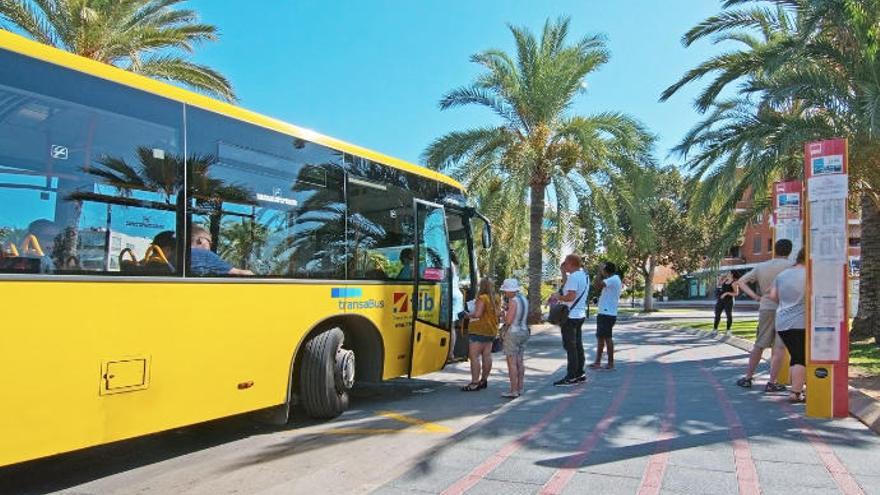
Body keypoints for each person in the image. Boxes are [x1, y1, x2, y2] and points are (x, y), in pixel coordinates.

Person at [734, 238, 793, 391]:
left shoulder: (762, 266)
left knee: (759, 344)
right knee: (779, 347)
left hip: (766, 306)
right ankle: (772, 382)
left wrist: (755, 296)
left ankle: (748, 378)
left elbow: (740, 282)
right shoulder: (792, 266)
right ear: (790, 251)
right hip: (786, 308)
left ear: (775, 249)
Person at [767, 248, 807, 402]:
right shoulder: (808, 275)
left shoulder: (782, 274)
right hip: (799, 321)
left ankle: (796, 388)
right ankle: (796, 392)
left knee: (794, 355)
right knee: (800, 357)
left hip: (782, 320)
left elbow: (772, 296)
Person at [553, 254, 590, 386]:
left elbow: (570, 296)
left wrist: (557, 296)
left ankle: (571, 376)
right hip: (579, 314)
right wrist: (563, 273)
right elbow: (568, 287)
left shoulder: (574, 277)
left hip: (570, 316)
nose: (564, 264)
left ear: (571, 263)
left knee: (571, 347)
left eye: (565, 263)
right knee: (578, 345)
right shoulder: (584, 275)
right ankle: (580, 373)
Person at [461, 277, 498, 392]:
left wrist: (467, 315)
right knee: (487, 355)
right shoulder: (496, 298)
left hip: (479, 330)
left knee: (474, 357)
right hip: (491, 330)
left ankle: (474, 382)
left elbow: (477, 314)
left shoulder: (482, 298)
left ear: (482, 286)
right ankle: (484, 380)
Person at [499, 278, 529, 398]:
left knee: (511, 362)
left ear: (510, 291)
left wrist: (503, 316)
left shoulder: (513, 301)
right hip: (524, 331)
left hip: (513, 332)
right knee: (520, 361)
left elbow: (509, 320)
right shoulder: (524, 299)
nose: (505, 293)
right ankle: (520, 387)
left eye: (505, 290)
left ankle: (513, 390)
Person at [590, 262, 622, 370]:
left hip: (606, 313)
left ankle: (610, 363)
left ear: (605, 270)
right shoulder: (613, 280)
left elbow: (597, 285)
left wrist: (598, 272)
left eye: (603, 270)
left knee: (607, 338)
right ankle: (598, 362)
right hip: (606, 313)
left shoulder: (613, 279)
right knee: (601, 338)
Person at [190, 225, 254, 276]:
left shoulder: (181, 255)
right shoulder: (204, 255)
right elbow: (243, 274)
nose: (210, 247)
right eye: (209, 242)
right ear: (201, 240)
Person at [448, 250, 466, 362]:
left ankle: (450, 353)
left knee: (451, 327)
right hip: (456, 295)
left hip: (452, 296)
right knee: (452, 326)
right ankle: (450, 352)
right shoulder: (454, 264)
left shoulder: (449, 264)